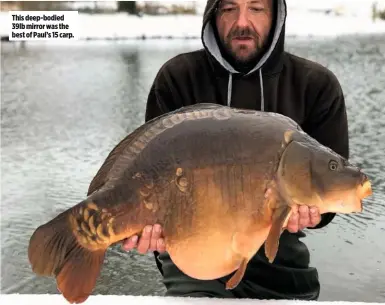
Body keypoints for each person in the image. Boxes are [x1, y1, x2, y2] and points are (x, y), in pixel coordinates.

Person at [122, 0, 349, 300]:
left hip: (277, 245)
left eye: (256, 8)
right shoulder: (178, 78)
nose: (242, 22)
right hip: (194, 242)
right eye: (229, 8)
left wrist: (314, 214)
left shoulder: (315, 86)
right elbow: (150, 176)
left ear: (276, 15)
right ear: (212, 16)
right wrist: (145, 226)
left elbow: (330, 189)